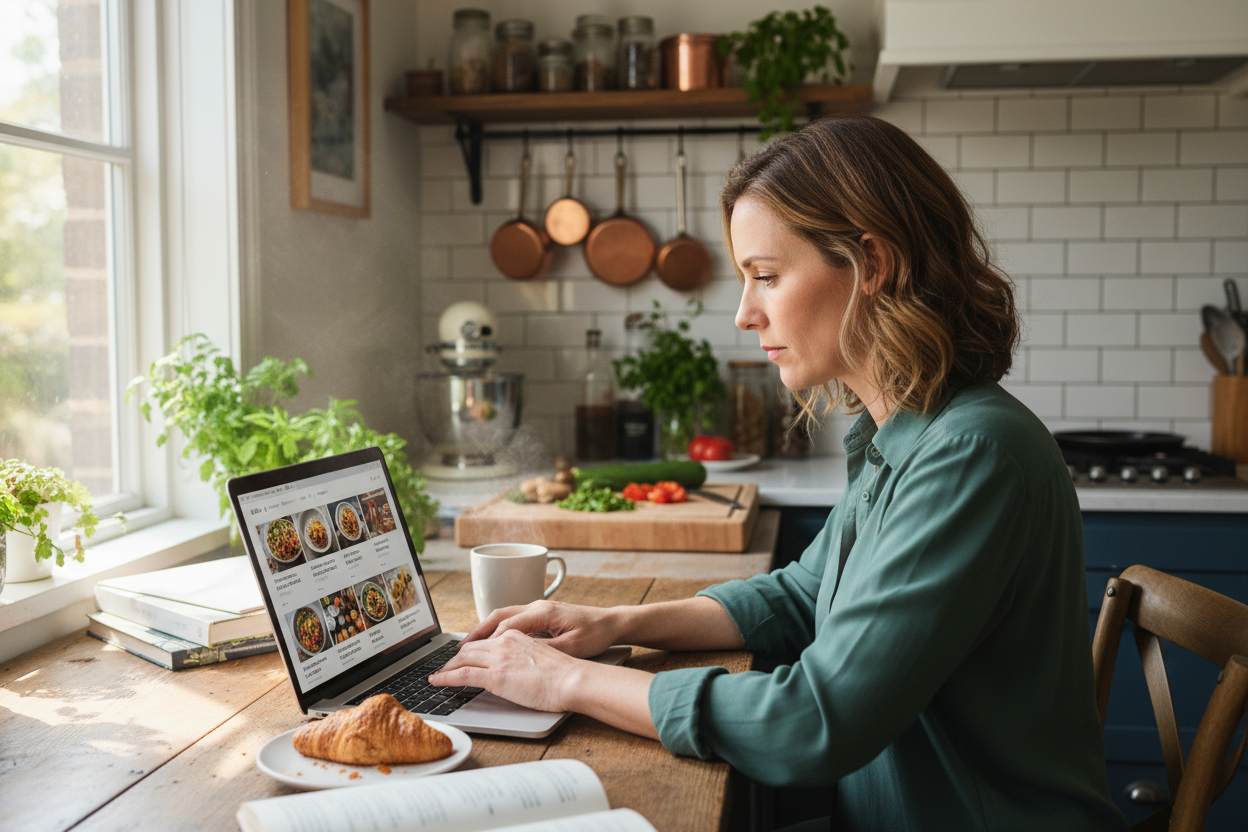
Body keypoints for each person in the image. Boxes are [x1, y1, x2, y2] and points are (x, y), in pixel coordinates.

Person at [431, 115, 1129, 832]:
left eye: (765, 276)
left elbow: (813, 722)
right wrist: (613, 624)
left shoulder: (970, 455)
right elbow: (804, 593)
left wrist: (569, 680)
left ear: (872, 264)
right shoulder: (907, 431)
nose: (744, 314)